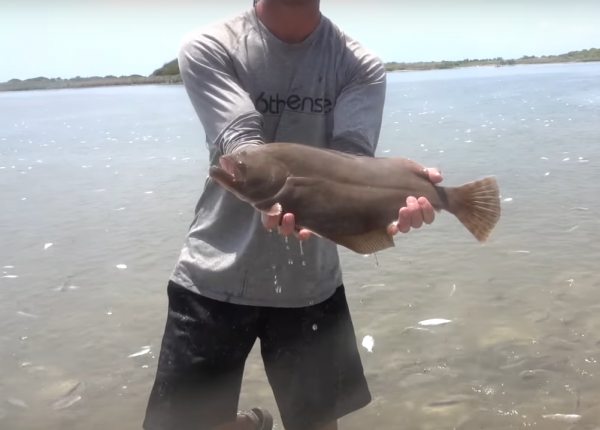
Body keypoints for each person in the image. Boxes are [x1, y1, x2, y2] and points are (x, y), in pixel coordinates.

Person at [143, 1, 442, 430]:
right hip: (213, 274)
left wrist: (395, 193)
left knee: (317, 423)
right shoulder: (210, 45)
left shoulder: (360, 65)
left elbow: (352, 160)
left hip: (312, 284)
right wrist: (269, 199)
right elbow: (239, 138)